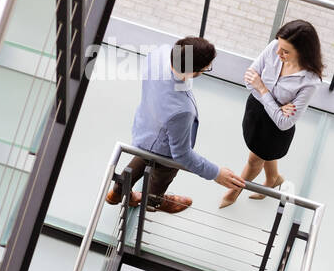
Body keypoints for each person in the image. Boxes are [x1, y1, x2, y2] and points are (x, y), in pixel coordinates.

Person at [105, 36, 245, 214]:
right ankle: (152, 201)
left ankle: (117, 192)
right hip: (163, 147)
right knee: (162, 174)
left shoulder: (160, 54)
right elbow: (182, 155)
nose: (205, 70)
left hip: (145, 126)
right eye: (206, 68)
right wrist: (216, 173)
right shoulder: (181, 109)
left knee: (142, 155)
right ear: (192, 71)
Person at [220, 20, 324, 208]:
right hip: (256, 114)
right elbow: (248, 80)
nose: (278, 52)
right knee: (265, 155)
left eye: (285, 51)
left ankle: (234, 192)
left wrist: (262, 88)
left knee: (254, 161)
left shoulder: (310, 81)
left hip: (274, 131)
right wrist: (275, 104)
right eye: (279, 46)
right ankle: (273, 178)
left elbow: (284, 123)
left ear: (303, 52)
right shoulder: (276, 46)